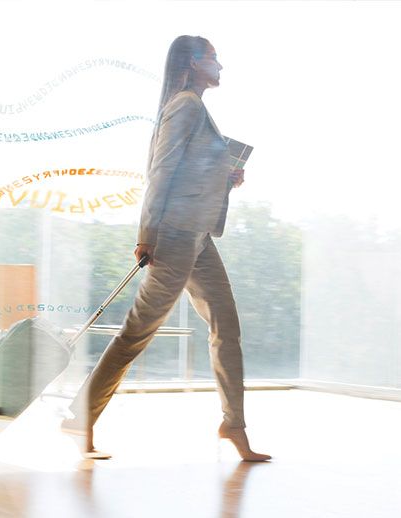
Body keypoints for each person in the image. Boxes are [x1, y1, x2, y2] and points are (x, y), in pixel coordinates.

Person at [62, 35, 271, 462]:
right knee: (136, 334)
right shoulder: (186, 106)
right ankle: (80, 417)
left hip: (198, 237)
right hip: (174, 237)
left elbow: (190, 172)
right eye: (214, 58)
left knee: (226, 327)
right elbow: (161, 172)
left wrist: (226, 178)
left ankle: (234, 425)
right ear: (194, 63)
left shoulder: (196, 108)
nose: (220, 66)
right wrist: (147, 235)